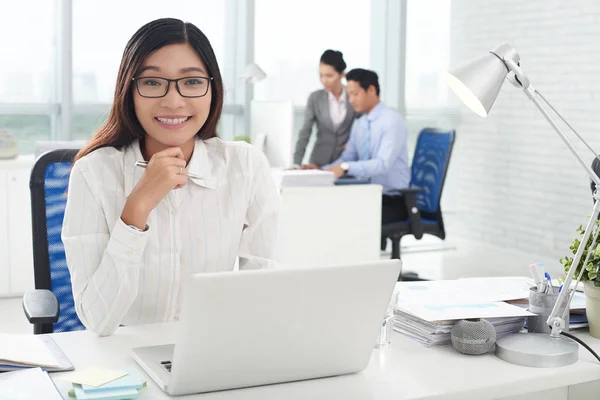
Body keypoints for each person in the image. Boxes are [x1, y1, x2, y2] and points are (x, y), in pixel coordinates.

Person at [62, 18, 280, 337]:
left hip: (211, 354)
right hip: (123, 360)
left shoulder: (245, 166)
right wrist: (138, 207)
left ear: (212, 89)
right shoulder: (93, 172)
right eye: (152, 82)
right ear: (129, 90)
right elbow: (97, 320)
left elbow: (263, 290)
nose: (173, 101)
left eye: (191, 82)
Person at [322, 68, 410, 224]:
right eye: (349, 95)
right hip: (368, 194)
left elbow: (382, 165)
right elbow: (347, 158)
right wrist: (321, 172)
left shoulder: (392, 121)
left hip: (392, 200)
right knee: (327, 208)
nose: (351, 100)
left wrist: (345, 167)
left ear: (371, 90)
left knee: (341, 218)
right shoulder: (360, 124)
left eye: (355, 94)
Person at [292, 50, 356, 169]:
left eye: (329, 75)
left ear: (342, 74)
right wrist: (296, 163)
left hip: (345, 163)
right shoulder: (315, 98)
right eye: (321, 75)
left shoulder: (353, 96)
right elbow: (305, 132)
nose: (324, 80)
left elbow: (362, 127)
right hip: (318, 162)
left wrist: (353, 145)